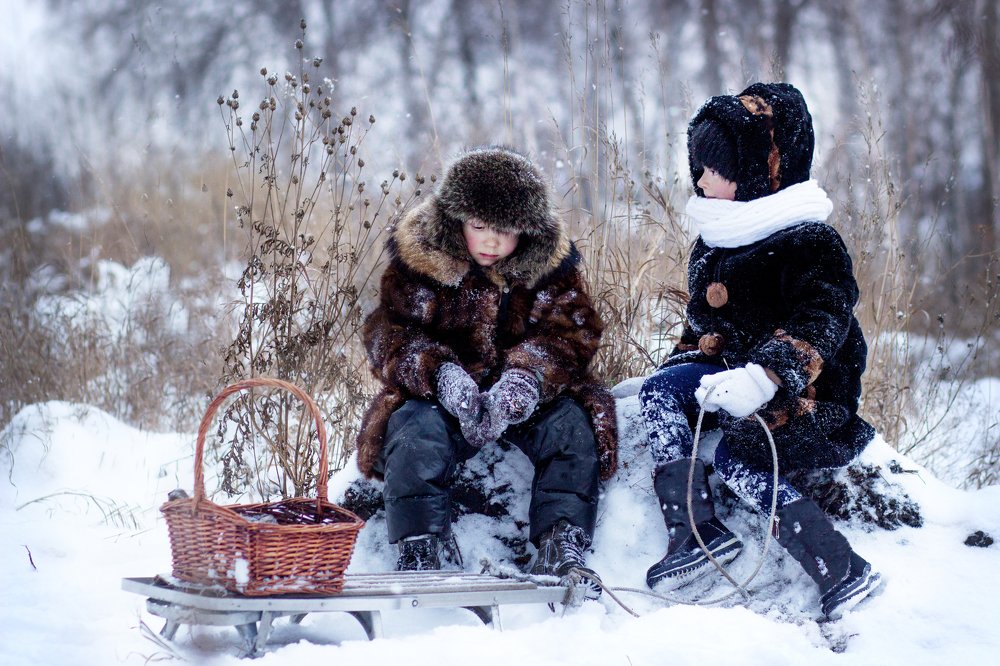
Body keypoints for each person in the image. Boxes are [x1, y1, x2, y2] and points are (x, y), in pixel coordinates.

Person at [638, 82, 883, 620]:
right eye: (698, 168)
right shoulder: (716, 237)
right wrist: (685, 371)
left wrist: (768, 375)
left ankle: (841, 566)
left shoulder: (808, 241)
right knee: (657, 394)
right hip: (729, 371)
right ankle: (694, 535)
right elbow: (702, 327)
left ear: (755, 173)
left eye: (717, 171)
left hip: (807, 393)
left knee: (736, 456)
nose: (702, 181)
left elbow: (822, 318)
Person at [355, 146, 617, 595]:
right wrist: (439, 373)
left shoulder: (548, 268)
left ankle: (561, 541)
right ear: (456, 221)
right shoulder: (424, 260)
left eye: (505, 231)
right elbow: (389, 332)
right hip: (441, 398)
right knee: (414, 433)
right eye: (479, 227)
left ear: (528, 231)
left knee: (573, 428)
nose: (492, 242)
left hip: (524, 397)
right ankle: (421, 544)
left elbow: (574, 332)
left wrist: (527, 378)